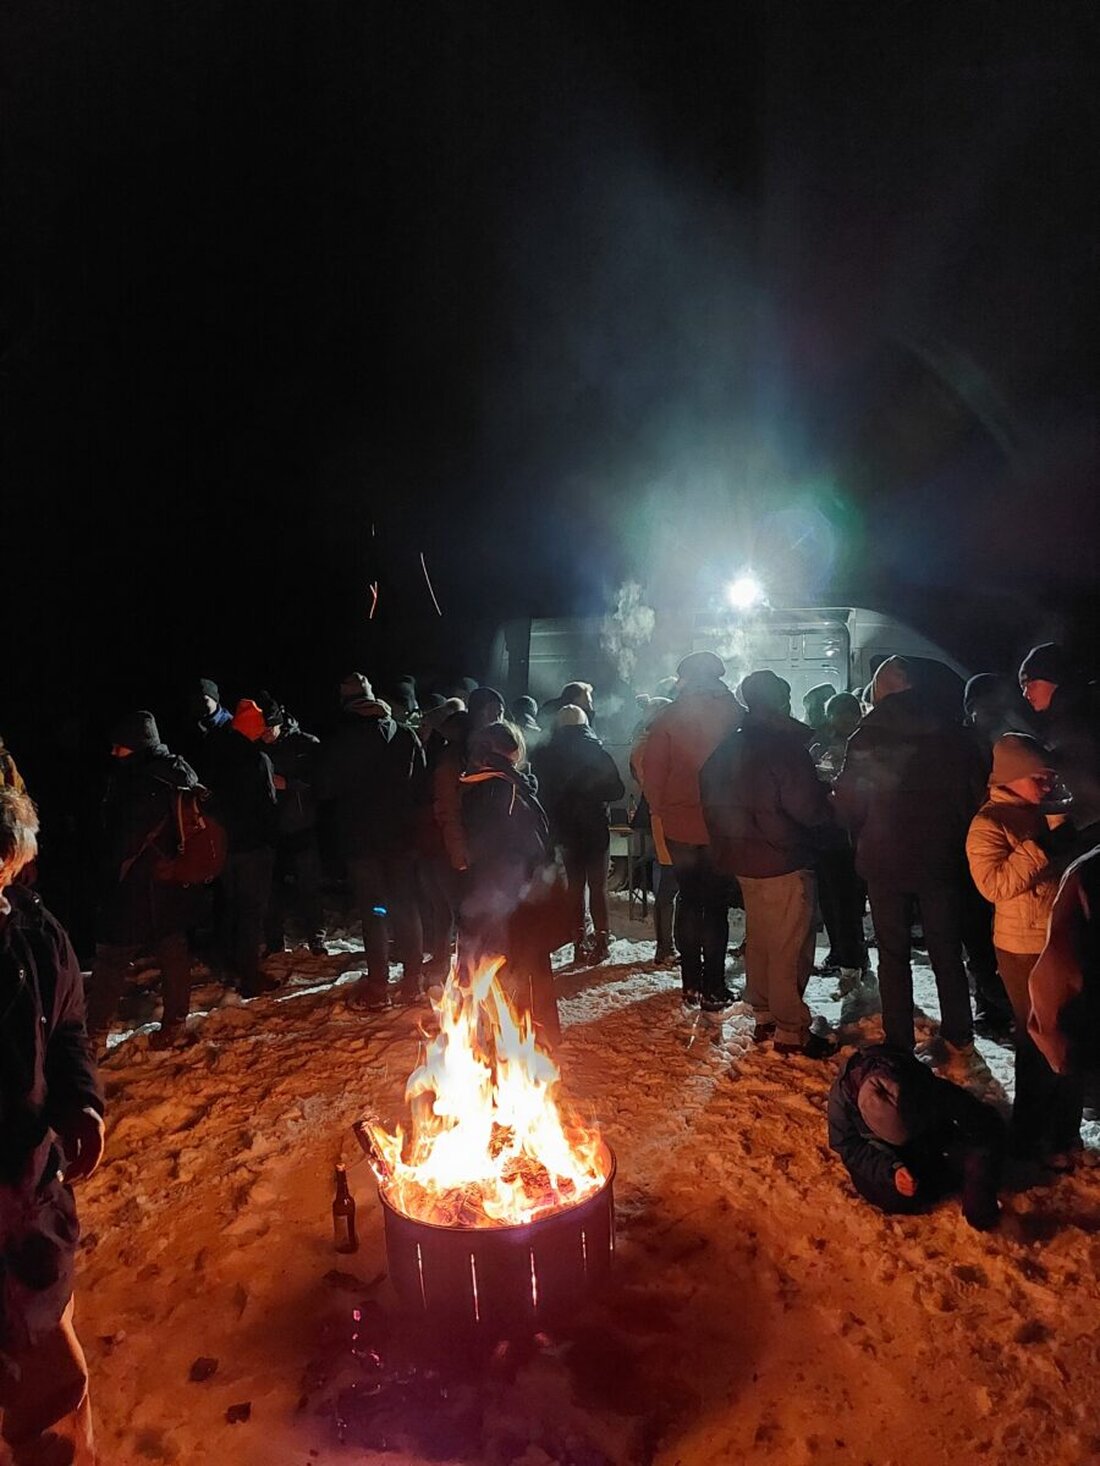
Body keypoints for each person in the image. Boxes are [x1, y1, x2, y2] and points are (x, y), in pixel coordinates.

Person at [1, 785, 104, 1465]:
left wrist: (80, 1103)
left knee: (46, 1364)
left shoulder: (36, 935)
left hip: (26, 1188)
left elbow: (67, 1030)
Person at [835, 656, 986, 1072]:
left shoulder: (867, 736)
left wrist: (860, 832)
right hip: (942, 855)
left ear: (888, 689)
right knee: (945, 947)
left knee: (893, 950)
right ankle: (959, 1034)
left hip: (884, 857)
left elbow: (849, 801)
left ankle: (898, 1038)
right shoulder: (955, 733)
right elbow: (975, 796)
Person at [701, 670, 838, 1053]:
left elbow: (707, 790)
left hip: (743, 859)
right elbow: (807, 809)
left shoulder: (729, 745)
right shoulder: (784, 747)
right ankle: (791, 1030)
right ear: (780, 700)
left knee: (760, 939)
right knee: (790, 947)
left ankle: (762, 1013)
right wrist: (828, 803)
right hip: (783, 859)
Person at [966, 734, 1082, 1166]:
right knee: (1037, 1042)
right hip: (1022, 947)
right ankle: (1031, 1137)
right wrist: (1043, 848)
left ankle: (1064, 1135)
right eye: (1041, 778)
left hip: (1057, 939)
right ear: (1014, 777)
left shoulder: (1039, 813)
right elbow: (994, 885)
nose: (1049, 786)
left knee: (1067, 1035)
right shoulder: (989, 824)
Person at [86, 711, 201, 1051]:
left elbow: (122, 841)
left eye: (119, 748)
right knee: (173, 950)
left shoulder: (137, 782)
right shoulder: (178, 770)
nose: (113, 753)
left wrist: (105, 877)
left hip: (137, 884)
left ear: (135, 746)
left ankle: (94, 1036)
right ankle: (176, 1022)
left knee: (111, 958)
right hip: (173, 877)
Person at [315, 675, 426, 1011]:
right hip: (402, 842)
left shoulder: (341, 740)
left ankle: (379, 986)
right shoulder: (405, 735)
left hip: (362, 843)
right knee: (406, 908)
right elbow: (422, 788)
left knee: (375, 911)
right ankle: (413, 982)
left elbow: (323, 789)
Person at [640, 651, 741, 1009]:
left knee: (688, 899)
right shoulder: (734, 715)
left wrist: (662, 809)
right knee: (715, 905)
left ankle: (690, 985)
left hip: (679, 824)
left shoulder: (668, 718)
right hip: (721, 824)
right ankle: (714, 985)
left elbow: (651, 775)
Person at [827, 1043, 1004, 1231]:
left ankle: (958, 1176)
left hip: (924, 1133)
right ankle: (941, 1177)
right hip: (883, 1154)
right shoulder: (842, 1100)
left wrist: (985, 1128)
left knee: (977, 1146)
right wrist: (891, 1171)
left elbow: (952, 1100)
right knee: (893, 1195)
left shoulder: (912, 1077)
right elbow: (849, 1147)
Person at [459, 722, 560, 1046]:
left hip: (499, 890)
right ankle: (523, 1036)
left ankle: (516, 1035)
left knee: (501, 960)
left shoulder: (495, 783)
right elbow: (514, 841)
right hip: (509, 892)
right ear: (510, 750)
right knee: (516, 962)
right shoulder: (499, 787)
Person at [533, 706, 624, 965]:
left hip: (565, 829)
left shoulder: (547, 754)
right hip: (594, 827)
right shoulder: (596, 751)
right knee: (598, 887)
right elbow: (616, 790)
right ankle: (602, 943)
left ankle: (578, 942)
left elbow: (542, 792)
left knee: (575, 887)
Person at [203, 699, 280, 999]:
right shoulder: (258, 759)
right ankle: (249, 975)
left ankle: (229, 965)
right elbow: (268, 806)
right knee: (251, 912)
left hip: (224, 846)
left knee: (231, 907)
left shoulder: (216, 755)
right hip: (253, 848)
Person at [260, 701, 326, 958]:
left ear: (279, 722)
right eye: (261, 728)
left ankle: (317, 939)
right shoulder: (257, 747)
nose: (265, 733)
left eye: (269, 727)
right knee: (271, 889)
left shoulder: (306, 744)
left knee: (309, 887)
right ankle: (274, 942)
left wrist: (289, 784)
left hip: (301, 825)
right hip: (270, 829)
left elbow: (320, 781)